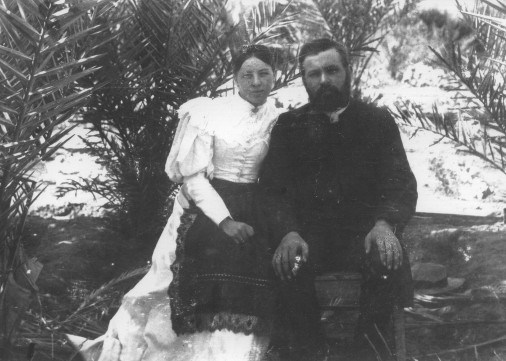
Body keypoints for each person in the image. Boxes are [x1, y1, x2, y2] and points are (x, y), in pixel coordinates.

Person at [91, 44, 282, 361]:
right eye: (247, 75)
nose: (256, 82)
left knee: (246, 282)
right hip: (206, 200)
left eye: (264, 73)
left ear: (274, 75)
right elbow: (192, 178)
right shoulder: (208, 113)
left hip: (252, 204)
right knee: (175, 280)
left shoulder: (278, 118)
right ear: (235, 78)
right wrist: (224, 220)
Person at [259, 38, 418, 360]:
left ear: (348, 71)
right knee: (288, 264)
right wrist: (287, 232)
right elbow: (271, 191)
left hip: (364, 236)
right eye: (313, 74)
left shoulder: (377, 121)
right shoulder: (289, 126)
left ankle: (367, 351)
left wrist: (385, 224)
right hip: (308, 239)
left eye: (332, 70)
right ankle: (311, 351)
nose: (323, 81)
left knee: (385, 260)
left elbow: (400, 180)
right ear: (303, 79)